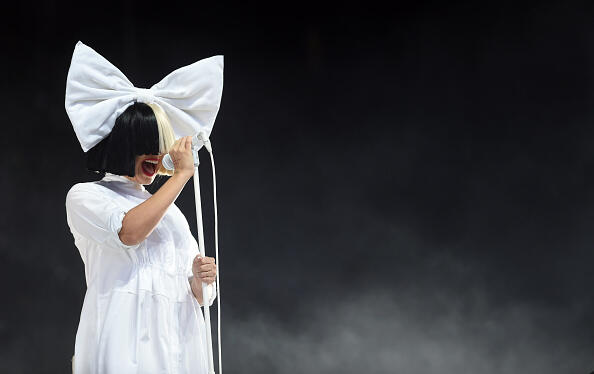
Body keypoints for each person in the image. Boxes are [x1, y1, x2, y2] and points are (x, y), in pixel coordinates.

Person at [66, 101, 217, 373]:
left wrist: (199, 278)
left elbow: (198, 296)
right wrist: (181, 175)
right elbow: (129, 232)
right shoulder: (87, 196)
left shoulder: (172, 216)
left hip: (177, 347)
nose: (158, 156)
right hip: (124, 341)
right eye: (148, 145)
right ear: (125, 144)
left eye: (162, 146)